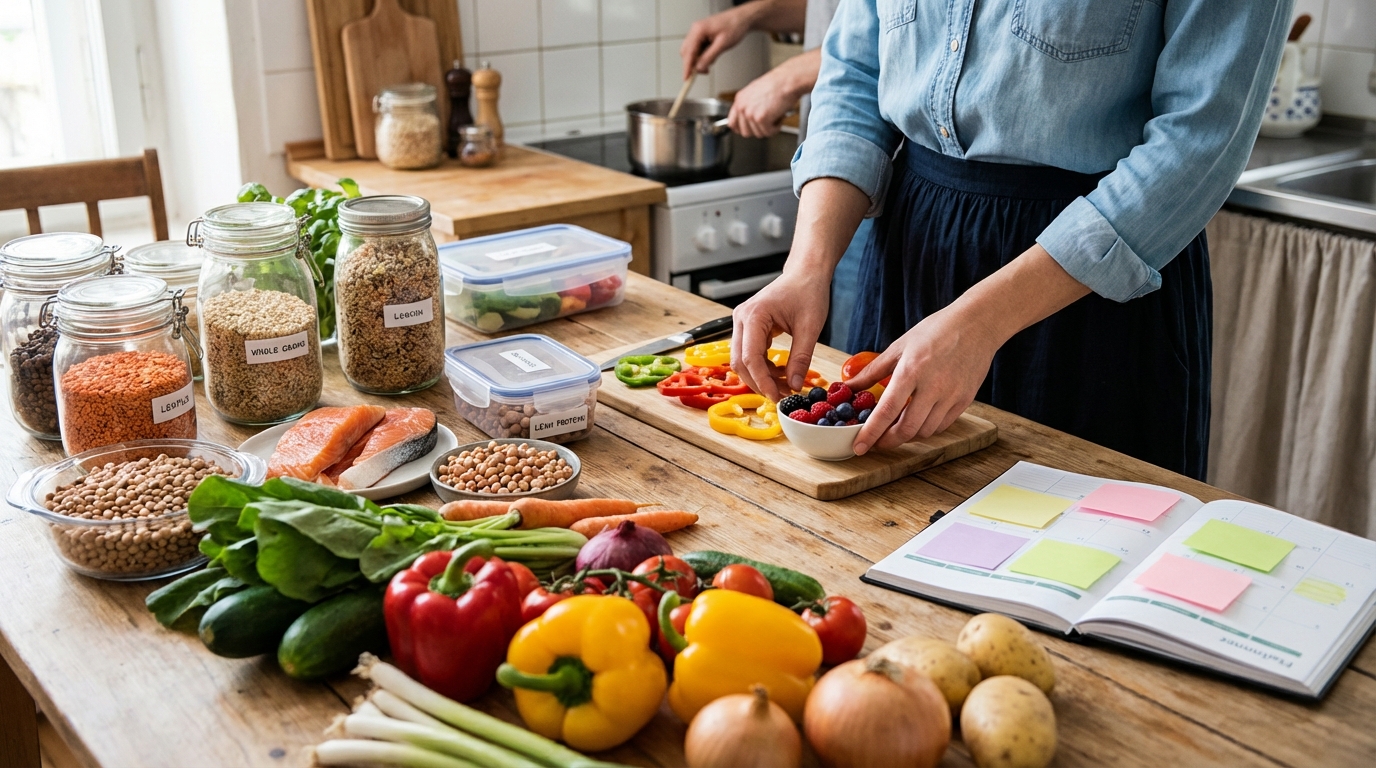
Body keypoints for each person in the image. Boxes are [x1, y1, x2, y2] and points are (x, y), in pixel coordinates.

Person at [731, 0, 1293, 480]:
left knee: (1081, 550)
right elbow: (854, 76)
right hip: (911, 254)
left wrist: (978, 324)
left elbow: (1199, 141)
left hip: (1090, 294)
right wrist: (807, 266)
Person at [681, 0, 868, 350]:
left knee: (863, 356)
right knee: (850, 360)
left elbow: (875, 46)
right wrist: (751, 16)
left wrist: (789, 76)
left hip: (877, 183)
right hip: (838, 170)